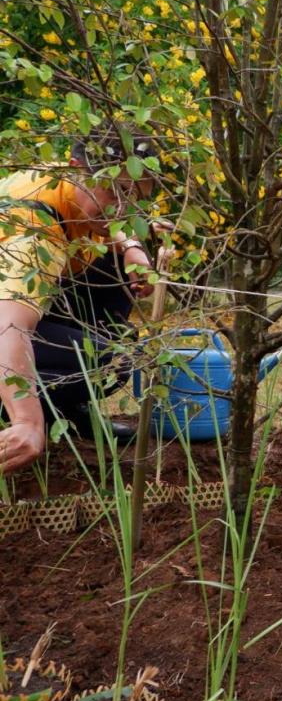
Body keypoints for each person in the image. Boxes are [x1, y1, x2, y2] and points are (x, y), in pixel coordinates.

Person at [0, 125, 162, 473]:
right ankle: (31, 415)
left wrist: (131, 247)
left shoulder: (69, 183)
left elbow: (114, 213)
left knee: (113, 266)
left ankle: (68, 410)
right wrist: (28, 420)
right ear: (76, 167)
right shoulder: (34, 231)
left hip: (22, 294)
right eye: (116, 191)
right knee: (111, 362)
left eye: (136, 198)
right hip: (4, 318)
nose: (124, 209)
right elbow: (7, 327)